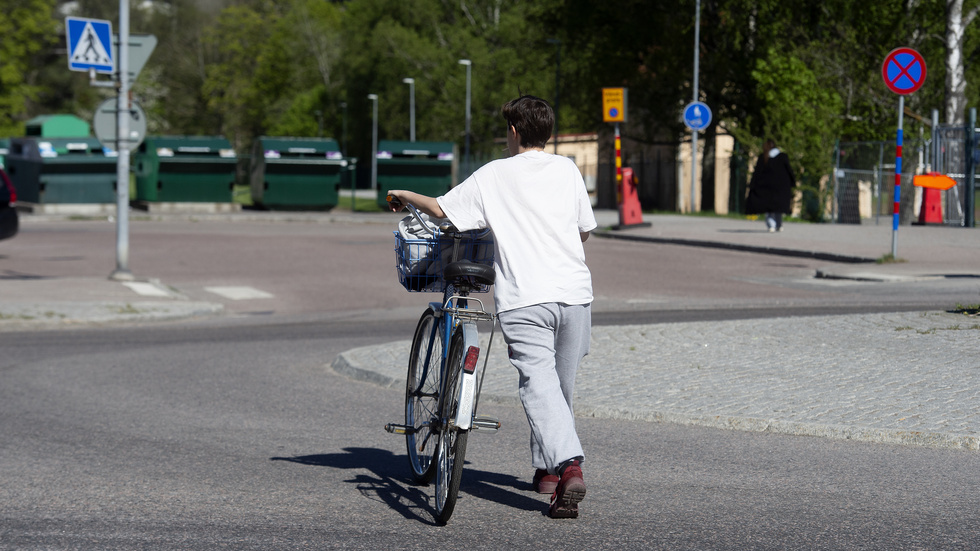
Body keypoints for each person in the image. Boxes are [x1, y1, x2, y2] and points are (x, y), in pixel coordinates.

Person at [386, 95, 596, 519]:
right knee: (560, 386)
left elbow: (444, 211)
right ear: (548, 133)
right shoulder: (567, 169)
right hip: (575, 294)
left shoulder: (493, 175)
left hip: (526, 297)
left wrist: (404, 193)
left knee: (538, 385)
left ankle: (568, 464)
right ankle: (547, 471)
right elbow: (584, 231)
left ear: (514, 131)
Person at [745, 139, 796, 232]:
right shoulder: (783, 157)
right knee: (778, 209)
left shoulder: (764, 157)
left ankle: (771, 225)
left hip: (766, 188)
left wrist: (753, 185)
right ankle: (779, 225)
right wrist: (792, 182)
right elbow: (789, 171)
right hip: (780, 188)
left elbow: (757, 173)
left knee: (769, 209)